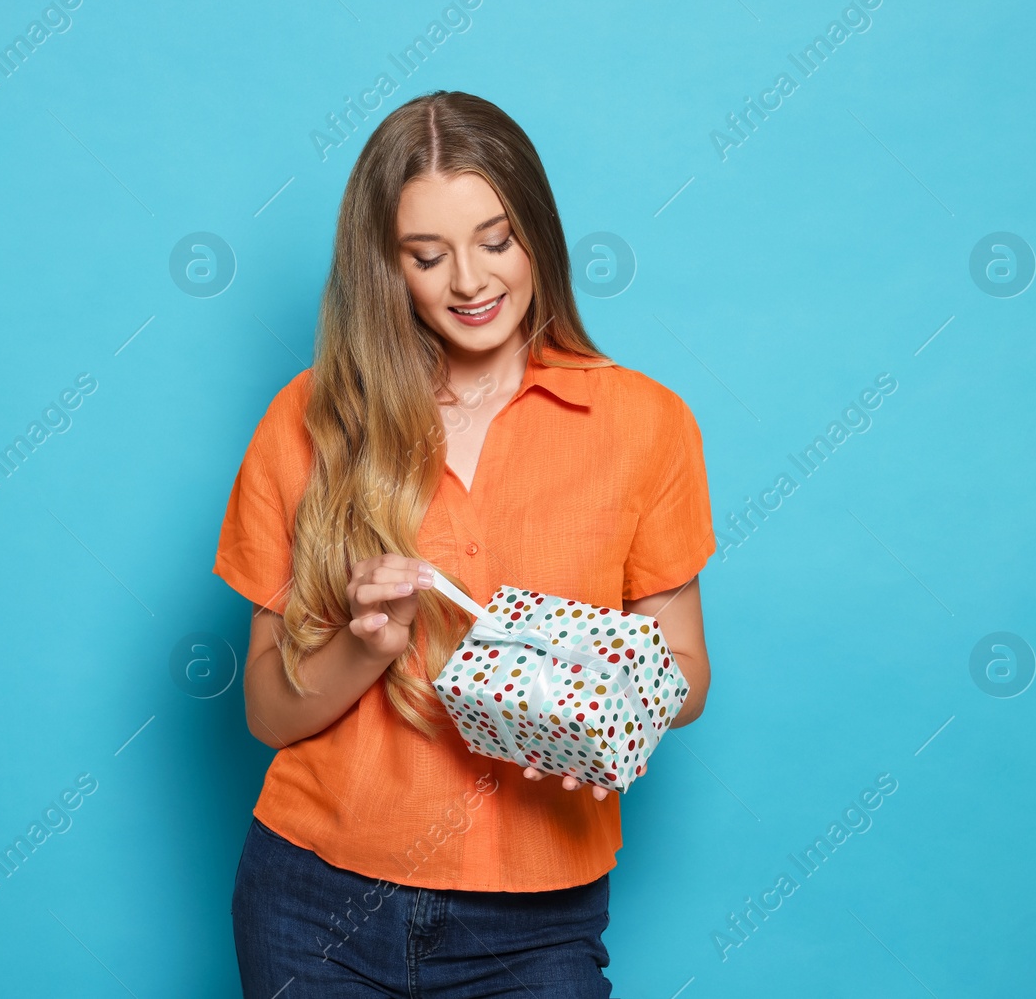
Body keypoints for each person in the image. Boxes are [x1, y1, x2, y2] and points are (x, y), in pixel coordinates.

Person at [213, 90, 717, 997]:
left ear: (538, 236)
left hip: (536, 919)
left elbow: (687, 667)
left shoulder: (646, 423)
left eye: (497, 239)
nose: (471, 282)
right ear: (386, 266)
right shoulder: (310, 420)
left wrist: (602, 709)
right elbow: (264, 712)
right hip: (311, 902)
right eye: (427, 254)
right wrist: (367, 644)